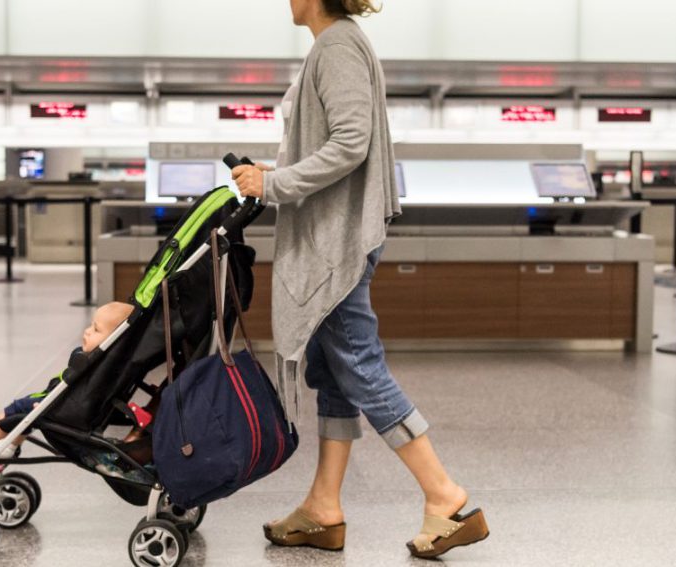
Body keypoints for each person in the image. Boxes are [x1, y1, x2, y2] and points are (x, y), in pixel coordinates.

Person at [231, 0, 489, 559]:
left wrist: (273, 185)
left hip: (335, 246)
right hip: (333, 239)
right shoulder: (335, 44)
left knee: (360, 366)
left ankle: (445, 496)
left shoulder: (338, 46)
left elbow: (351, 142)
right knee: (334, 374)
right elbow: (337, 143)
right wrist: (275, 175)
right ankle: (323, 507)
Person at [0, 302, 141, 459]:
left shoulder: (97, 365)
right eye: (91, 325)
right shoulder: (110, 365)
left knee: (21, 408)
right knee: (28, 413)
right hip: (73, 404)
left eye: (96, 329)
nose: (87, 331)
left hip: (67, 409)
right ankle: (9, 447)